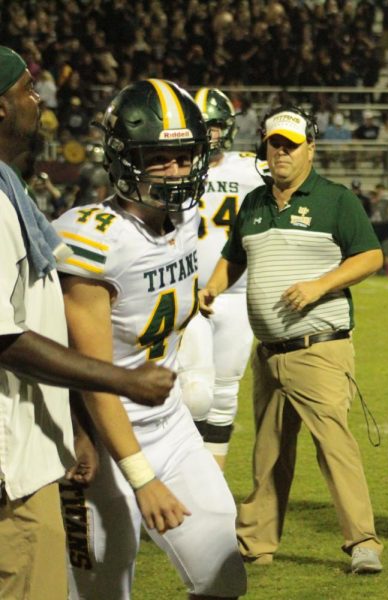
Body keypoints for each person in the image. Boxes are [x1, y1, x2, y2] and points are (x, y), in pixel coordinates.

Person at [54, 79, 247, 599]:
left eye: (183, 157)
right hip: (96, 438)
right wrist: (141, 477)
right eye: (156, 157)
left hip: (170, 423)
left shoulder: (184, 217)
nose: (175, 171)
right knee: (100, 586)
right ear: (122, 159)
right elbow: (90, 375)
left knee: (223, 572)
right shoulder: (92, 240)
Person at [0, 47, 175, 600]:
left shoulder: (11, 188)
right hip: (9, 463)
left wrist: (72, 422)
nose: (39, 102)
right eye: (27, 90)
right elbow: (3, 336)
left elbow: (36, 317)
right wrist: (123, 381)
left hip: (27, 444)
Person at [198, 106, 385, 574]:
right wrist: (214, 286)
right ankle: (255, 543)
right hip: (270, 353)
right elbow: (233, 256)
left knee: (334, 447)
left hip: (318, 347)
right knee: (269, 452)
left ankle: (363, 542)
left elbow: (371, 256)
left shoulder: (335, 200)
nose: (280, 152)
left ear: (310, 150)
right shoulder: (256, 203)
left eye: (290, 145)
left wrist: (321, 285)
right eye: (273, 144)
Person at [177, 88, 260, 470]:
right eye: (203, 126)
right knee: (194, 395)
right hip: (188, 294)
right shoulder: (172, 166)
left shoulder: (250, 168)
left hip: (238, 294)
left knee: (226, 393)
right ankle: (182, 473)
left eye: (215, 127)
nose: (209, 135)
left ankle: (211, 486)